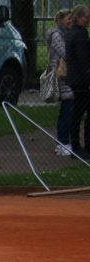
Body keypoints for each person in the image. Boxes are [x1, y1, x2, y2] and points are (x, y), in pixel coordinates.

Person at [48, 9, 74, 156]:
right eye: (68, 19)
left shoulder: (67, 34)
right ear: (60, 20)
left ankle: (65, 142)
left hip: (68, 75)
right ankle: (62, 143)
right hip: (62, 75)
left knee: (69, 108)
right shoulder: (57, 35)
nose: (70, 21)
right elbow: (65, 53)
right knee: (67, 108)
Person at [67, 5, 90, 157]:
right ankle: (81, 146)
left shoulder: (73, 33)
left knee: (77, 112)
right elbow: (84, 61)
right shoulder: (80, 35)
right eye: (87, 17)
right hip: (82, 81)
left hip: (76, 79)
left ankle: (77, 146)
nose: (88, 20)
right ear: (79, 17)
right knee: (79, 113)